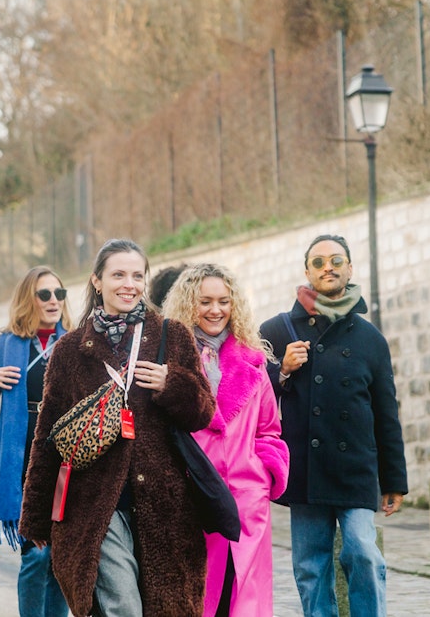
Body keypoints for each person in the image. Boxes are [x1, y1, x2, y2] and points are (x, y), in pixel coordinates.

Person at [20, 238, 216, 617]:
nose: (130, 284)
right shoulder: (70, 350)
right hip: (95, 504)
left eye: (137, 275)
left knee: (167, 608)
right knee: (121, 607)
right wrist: (36, 516)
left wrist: (171, 383)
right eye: (118, 275)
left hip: (165, 505)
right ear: (97, 281)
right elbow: (48, 438)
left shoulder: (172, 335)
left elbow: (204, 413)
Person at [258, 234, 408, 617]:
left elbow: (386, 413)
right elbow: (248, 393)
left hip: (355, 466)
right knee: (310, 566)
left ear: (350, 269)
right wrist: (281, 371)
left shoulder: (371, 339)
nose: (329, 267)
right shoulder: (276, 331)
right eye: (319, 261)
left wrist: (393, 481)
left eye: (336, 261)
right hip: (305, 468)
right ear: (307, 271)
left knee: (363, 551)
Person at [162, 263, 289, 616]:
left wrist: (265, 474)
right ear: (189, 304)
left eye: (224, 301)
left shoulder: (254, 362)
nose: (215, 310)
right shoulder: (169, 361)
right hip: (194, 497)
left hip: (247, 499)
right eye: (205, 301)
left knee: (244, 599)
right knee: (199, 598)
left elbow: (269, 430)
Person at [0, 265, 72, 617]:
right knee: (37, 553)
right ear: (29, 299)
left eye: (60, 294)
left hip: (66, 456)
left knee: (58, 554)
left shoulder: (74, 341)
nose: (54, 300)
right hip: (23, 457)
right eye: (45, 294)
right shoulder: (4, 344)